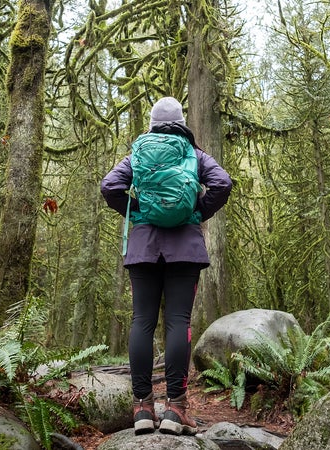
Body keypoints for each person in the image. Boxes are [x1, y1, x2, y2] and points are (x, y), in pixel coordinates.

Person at [100, 96, 232, 436]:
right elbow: (223, 183)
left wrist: (140, 212)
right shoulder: (194, 154)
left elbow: (110, 186)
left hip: (143, 246)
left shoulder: (138, 153)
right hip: (185, 246)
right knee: (179, 322)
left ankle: (142, 407)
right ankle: (175, 408)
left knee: (142, 321)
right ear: (180, 121)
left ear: (153, 122)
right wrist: (197, 212)